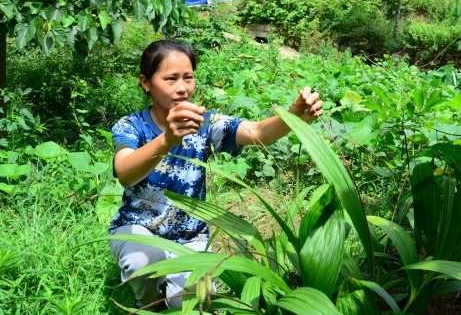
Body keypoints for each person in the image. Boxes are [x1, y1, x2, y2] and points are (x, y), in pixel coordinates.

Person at [108, 39, 323, 310]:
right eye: (171, 79)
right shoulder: (131, 126)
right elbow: (124, 172)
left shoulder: (205, 123)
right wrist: (167, 140)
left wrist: (293, 116)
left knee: (196, 301)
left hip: (189, 235)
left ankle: (172, 293)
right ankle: (148, 302)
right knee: (143, 260)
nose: (183, 88)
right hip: (138, 228)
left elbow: (257, 133)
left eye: (188, 77)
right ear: (146, 82)